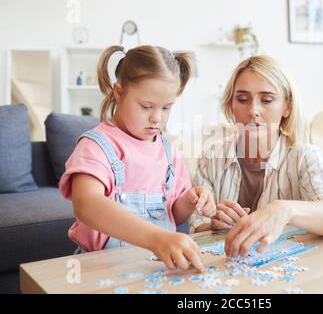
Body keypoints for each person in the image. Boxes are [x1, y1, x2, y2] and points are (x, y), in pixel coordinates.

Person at [60, 45, 215, 271]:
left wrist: (189, 200)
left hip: (155, 268)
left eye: (166, 108)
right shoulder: (96, 145)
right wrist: (156, 238)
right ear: (119, 92)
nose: (157, 118)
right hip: (101, 268)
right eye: (146, 106)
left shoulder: (169, 151)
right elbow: (86, 205)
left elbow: (173, 213)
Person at [189, 55, 323, 257]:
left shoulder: (305, 156)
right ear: (231, 105)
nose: (253, 110)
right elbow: (196, 223)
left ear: (287, 106)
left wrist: (284, 210)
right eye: (242, 99)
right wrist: (213, 226)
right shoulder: (211, 155)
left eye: (267, 100)